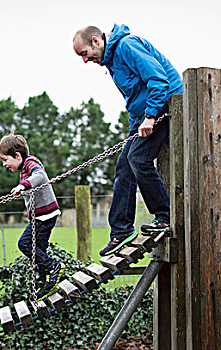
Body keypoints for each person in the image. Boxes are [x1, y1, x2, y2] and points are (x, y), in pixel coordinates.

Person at [72, 24, 183, 256]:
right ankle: (121, 231)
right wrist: (135, 124)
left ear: (96, 41)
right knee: (124, 164)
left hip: (164, 105)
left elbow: (158, 80)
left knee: (138, 158)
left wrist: (150, 116)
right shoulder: (111, 61)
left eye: (84, 53)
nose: (84, 60)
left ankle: (164, 215)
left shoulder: (127, 46)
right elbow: (134, 95)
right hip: (142, 115)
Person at [0, 134, 65, 301]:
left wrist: (22, 185)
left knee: (24, 244)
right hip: (43, 216)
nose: (4, 164)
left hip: (44, 216)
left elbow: (40, 176)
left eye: (5, 160)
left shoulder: (30, 163)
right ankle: (45, 282)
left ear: (17, 156)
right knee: (39, 247)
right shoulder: (24, 169)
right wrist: (22, 190)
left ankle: (54, 267)